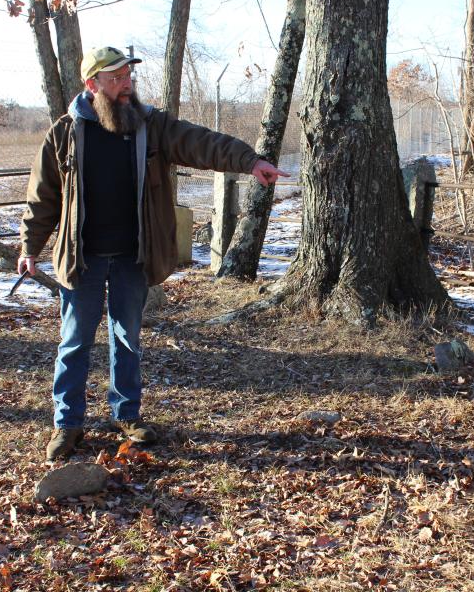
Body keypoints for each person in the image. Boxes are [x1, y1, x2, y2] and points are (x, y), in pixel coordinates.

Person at [18, 46, 288, 461]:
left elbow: (202, 142)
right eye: (116, 79)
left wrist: (250, 161)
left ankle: (126, 415)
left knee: (127, 340)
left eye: (129, 77)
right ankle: (67, 425)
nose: (127, 85)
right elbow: (43, 197)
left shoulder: (150, 126)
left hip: (132, 257)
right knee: (74, 344)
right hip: (82, 259)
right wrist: (29, 247)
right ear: (92, 85)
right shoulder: (65, 134)